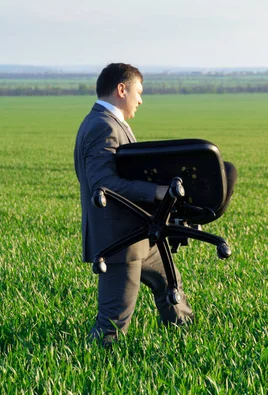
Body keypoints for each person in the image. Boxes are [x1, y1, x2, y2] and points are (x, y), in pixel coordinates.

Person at [74, 63, 194, 343]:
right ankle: (97, 365)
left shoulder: (109, 122)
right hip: (119, 240)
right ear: (121, 89)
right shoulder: (101, 126)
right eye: (138, 92)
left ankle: (184, 340)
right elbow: (103, 185)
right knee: (113, 320)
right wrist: (158, 191)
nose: (140, 100)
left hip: (138, 236)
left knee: (169, 282)